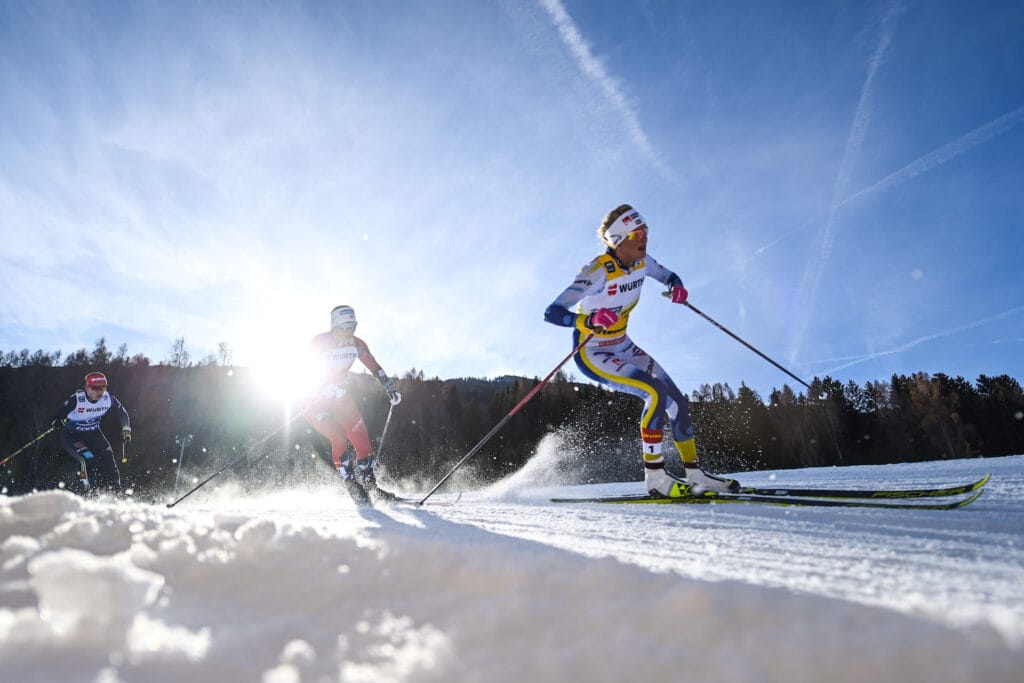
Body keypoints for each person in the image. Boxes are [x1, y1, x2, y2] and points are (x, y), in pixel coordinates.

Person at [544, 204, 740, 497]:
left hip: (623, 345)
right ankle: (656, 478)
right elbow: (552, 312)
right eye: (636, 233)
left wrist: (677, 288)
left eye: (646, 230)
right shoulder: (597, 271)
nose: (644, 237)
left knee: (678, 403)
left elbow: (670, 276)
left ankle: (696, 474)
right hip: (594, 352)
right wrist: (587, 320)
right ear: (618, 239)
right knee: (654, 392)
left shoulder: (642, 263)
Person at [305, 304, 402, 504]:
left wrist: (389, 386)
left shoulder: (357, 344)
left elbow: (374, 366)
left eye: (353, 327)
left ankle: (371, 487)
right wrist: (319, 389)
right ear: (334, 326)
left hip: (340, 399)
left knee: (363, 442)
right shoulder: (319, 342)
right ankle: (352, 485)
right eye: (345, 327)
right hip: (313, 401)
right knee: (338, 438)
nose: (349, 332)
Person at [50, 371, 131, 494]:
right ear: (87, 388)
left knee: (108, 457)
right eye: (95, 388)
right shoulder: (77, 400)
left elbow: (122, 413)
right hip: (73, 435)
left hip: (94, 434)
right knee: (88, 458)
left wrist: (126, 430)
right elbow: (57, 415)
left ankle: (117, 493)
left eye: (102, 387)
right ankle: (90, 493)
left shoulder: (108, 399)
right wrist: (57, 421)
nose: (99, 392)